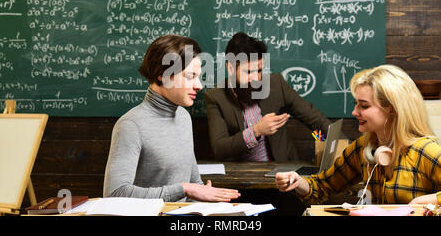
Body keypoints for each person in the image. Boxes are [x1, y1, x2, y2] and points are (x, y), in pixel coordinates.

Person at [276, 64, 440, 205]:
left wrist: (430, 200)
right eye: (356, 104)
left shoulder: (426, 151)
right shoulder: (363, 148)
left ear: (392, 109)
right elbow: (321, 187)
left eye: (364, 106)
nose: (355, 112)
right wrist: (298, 182)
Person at [103, 34, 240, 202]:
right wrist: (184, 189)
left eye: (199, 77)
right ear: (163, 74)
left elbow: (194, 184)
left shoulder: (183, 117)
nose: (199, 85)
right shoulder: (130, 125)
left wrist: (206, 203)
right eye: (191, 76)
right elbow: (114, 194)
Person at [204, 32, 331, 161]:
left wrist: (344, 149)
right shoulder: (215, 97)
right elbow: (219, 148)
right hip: (242, 175)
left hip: (283, 170)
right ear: (230, 68)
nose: (256, 79)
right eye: (248, 72)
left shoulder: (276, 84)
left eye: (259, 70)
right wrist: (256, 131)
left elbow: (315, 120)